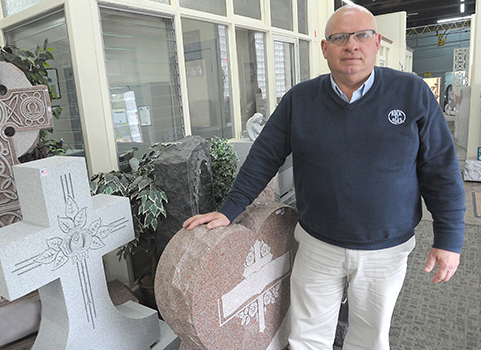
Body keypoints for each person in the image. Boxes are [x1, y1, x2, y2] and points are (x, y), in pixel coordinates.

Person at [183, 4, 465, 350]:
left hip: (385, 249)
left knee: (369, 339)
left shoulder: (412, 92)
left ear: (376, 43)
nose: (352, 45)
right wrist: (229, 210)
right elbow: (264, 156)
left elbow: (441, 167)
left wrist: (449, 238)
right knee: (305, 338)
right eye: (340, 37)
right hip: (318, 244)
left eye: (362, 35)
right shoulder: (300, 100)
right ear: (325, 48)